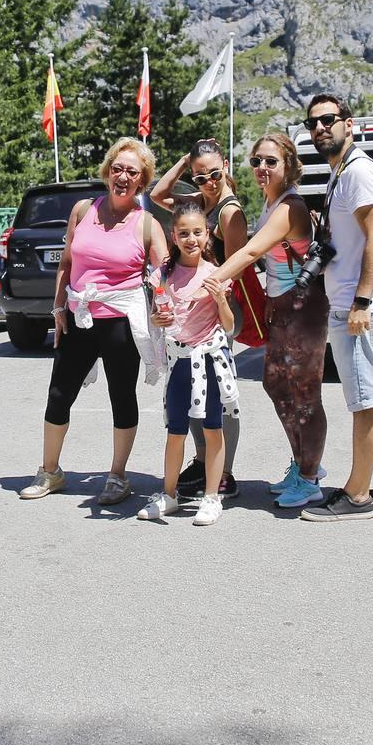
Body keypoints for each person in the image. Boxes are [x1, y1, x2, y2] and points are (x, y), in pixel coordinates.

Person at [20, 137, 168, 506]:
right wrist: (58, 309)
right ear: (108, 171)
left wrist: (165, 299)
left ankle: (117, 476)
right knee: (59, 395)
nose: (122, 176)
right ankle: (50, 471)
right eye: (117, 168)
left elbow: (165, 270)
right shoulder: (83, 210)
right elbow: (67, 263)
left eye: (131, 171)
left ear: (142, 179)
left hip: (120, 320)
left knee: (121, 397)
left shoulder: (146, 224)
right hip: (79, 316)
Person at [296, 94, 373, 522]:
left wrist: (361, 302)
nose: (320, 128)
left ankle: (357, 494)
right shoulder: (341, 174)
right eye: (312, 123)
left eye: (328, 120)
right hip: (363, 302)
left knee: (366, 399)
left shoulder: (358, 173)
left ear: (350, 124)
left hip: (359, 307)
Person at [203, 134, 329, 508]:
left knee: (305, 395)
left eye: (271, 162)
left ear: (288, 166)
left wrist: (212, 280)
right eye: (257, 161)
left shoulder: (290, 207)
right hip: (282, 305)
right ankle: (302, 463)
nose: (262, 168)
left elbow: (253, 250)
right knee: (276, 385)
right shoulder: (271, 202)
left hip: (303, 308)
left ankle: (310, 478)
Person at [150, 138, 247, 500]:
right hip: (190, 309)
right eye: (199, 175)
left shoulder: (226, 211)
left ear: (226, 168)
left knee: (219, 396)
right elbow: (159, 193)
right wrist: (185, 159)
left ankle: (225, 472)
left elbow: (237, 264)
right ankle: (206, 462)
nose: (207, 180)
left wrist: (213, 294)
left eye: (214, 173)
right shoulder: (198, 205)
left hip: (215, 306)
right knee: (193, 391)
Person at [137, 198, 237, 526]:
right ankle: (169, 494)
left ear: (208, 234)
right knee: (175, 431)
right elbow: (158, 317)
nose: (191, 239)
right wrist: (158, 318)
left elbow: (229, 324)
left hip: (207, 360)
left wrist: (221, 298)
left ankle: (211, 497)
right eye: (184, 233)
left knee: (212, 429)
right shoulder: (162, 274)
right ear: (173, 235)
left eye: (198, 232)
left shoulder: (216, 273)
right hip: (179, 361)